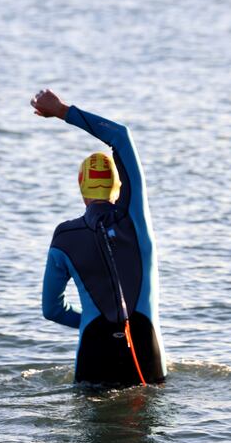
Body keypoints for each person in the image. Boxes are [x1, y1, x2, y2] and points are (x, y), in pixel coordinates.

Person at [31, 89, 167, 385]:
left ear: (82, 188)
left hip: (95, 352)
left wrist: (92, 322)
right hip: (145, 352)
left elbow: (51, 309)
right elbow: (121, 135)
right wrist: (62, 110)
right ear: (117, 187)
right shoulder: (135, 220)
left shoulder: (65, 237)